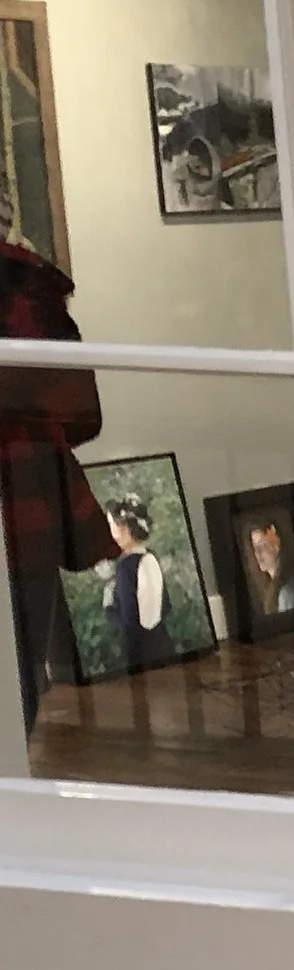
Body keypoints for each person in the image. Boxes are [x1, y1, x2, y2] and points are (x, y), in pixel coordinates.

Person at [0, 235, 114, 729]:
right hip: (28, 486)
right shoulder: (32, 288)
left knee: (21, 664)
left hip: (25, 490)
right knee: (23, 664)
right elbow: (82, 415)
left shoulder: (30, 287)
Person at [99, 496, 177, 673]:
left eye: (111, 525)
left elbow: (129, 623)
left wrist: (109, 606)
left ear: (125, 529)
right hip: (163, 644)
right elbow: (166, 606)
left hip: (142, 655)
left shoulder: (126, 568)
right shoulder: (150, 556)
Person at [245, 518, 294, 619]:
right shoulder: (272, 588)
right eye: (255, 547)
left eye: (263, 544)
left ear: (277, 546)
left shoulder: (287, 593)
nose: (258, 553)